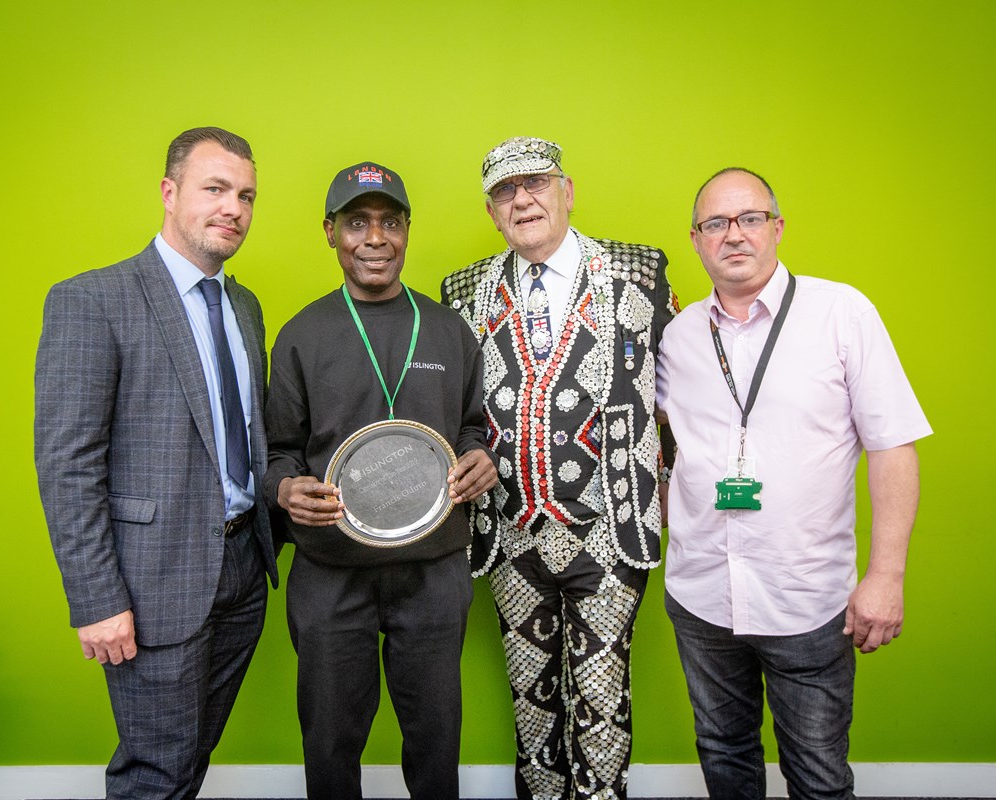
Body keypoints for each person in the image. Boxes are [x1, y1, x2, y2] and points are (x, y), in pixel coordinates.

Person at [655, 167, 933, 799]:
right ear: (695, 240)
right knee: (724, 758)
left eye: (750, 218)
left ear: (777, 228)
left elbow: (894, 449)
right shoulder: (678, 337)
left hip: (807, 599)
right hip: (701, 593)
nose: (734, 235)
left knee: (818, 774)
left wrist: (886, 576)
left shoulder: (842, 313)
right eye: (715, 223)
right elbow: (657, 440)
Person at [34, 127, 277, 800]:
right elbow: (67, 463)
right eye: (216, 189)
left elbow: (249, 434)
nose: (233, 208)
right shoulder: (93, 300)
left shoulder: (245, 307)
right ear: (169, 193)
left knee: (192, 756)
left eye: (247, 195)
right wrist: (97, 599)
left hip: (242, 571)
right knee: (156, 771)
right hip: (151, 584)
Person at [442, 137, 678, 800]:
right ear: (492, 212)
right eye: (505, 193)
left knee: (601, 701)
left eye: (536, 184)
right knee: (530, 700)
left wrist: (672, 479)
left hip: (611, 529)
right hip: (512, 533)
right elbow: (457, 408)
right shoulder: (463, 292)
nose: (522, 199)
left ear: (566, 191)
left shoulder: (640, 272)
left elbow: (680, 397)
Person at [265, 161, 498, 800]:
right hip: (330, 570)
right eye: (357, 223)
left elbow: (475, 428)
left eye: (390, 222)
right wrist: (285, 489)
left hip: (432, 567)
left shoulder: (448, 330)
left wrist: (483, 459)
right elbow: (278, 449)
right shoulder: (301, 336)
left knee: (435, 735)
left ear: (407, 231)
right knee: (330, 738)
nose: (375, 238)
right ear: (330, 232)